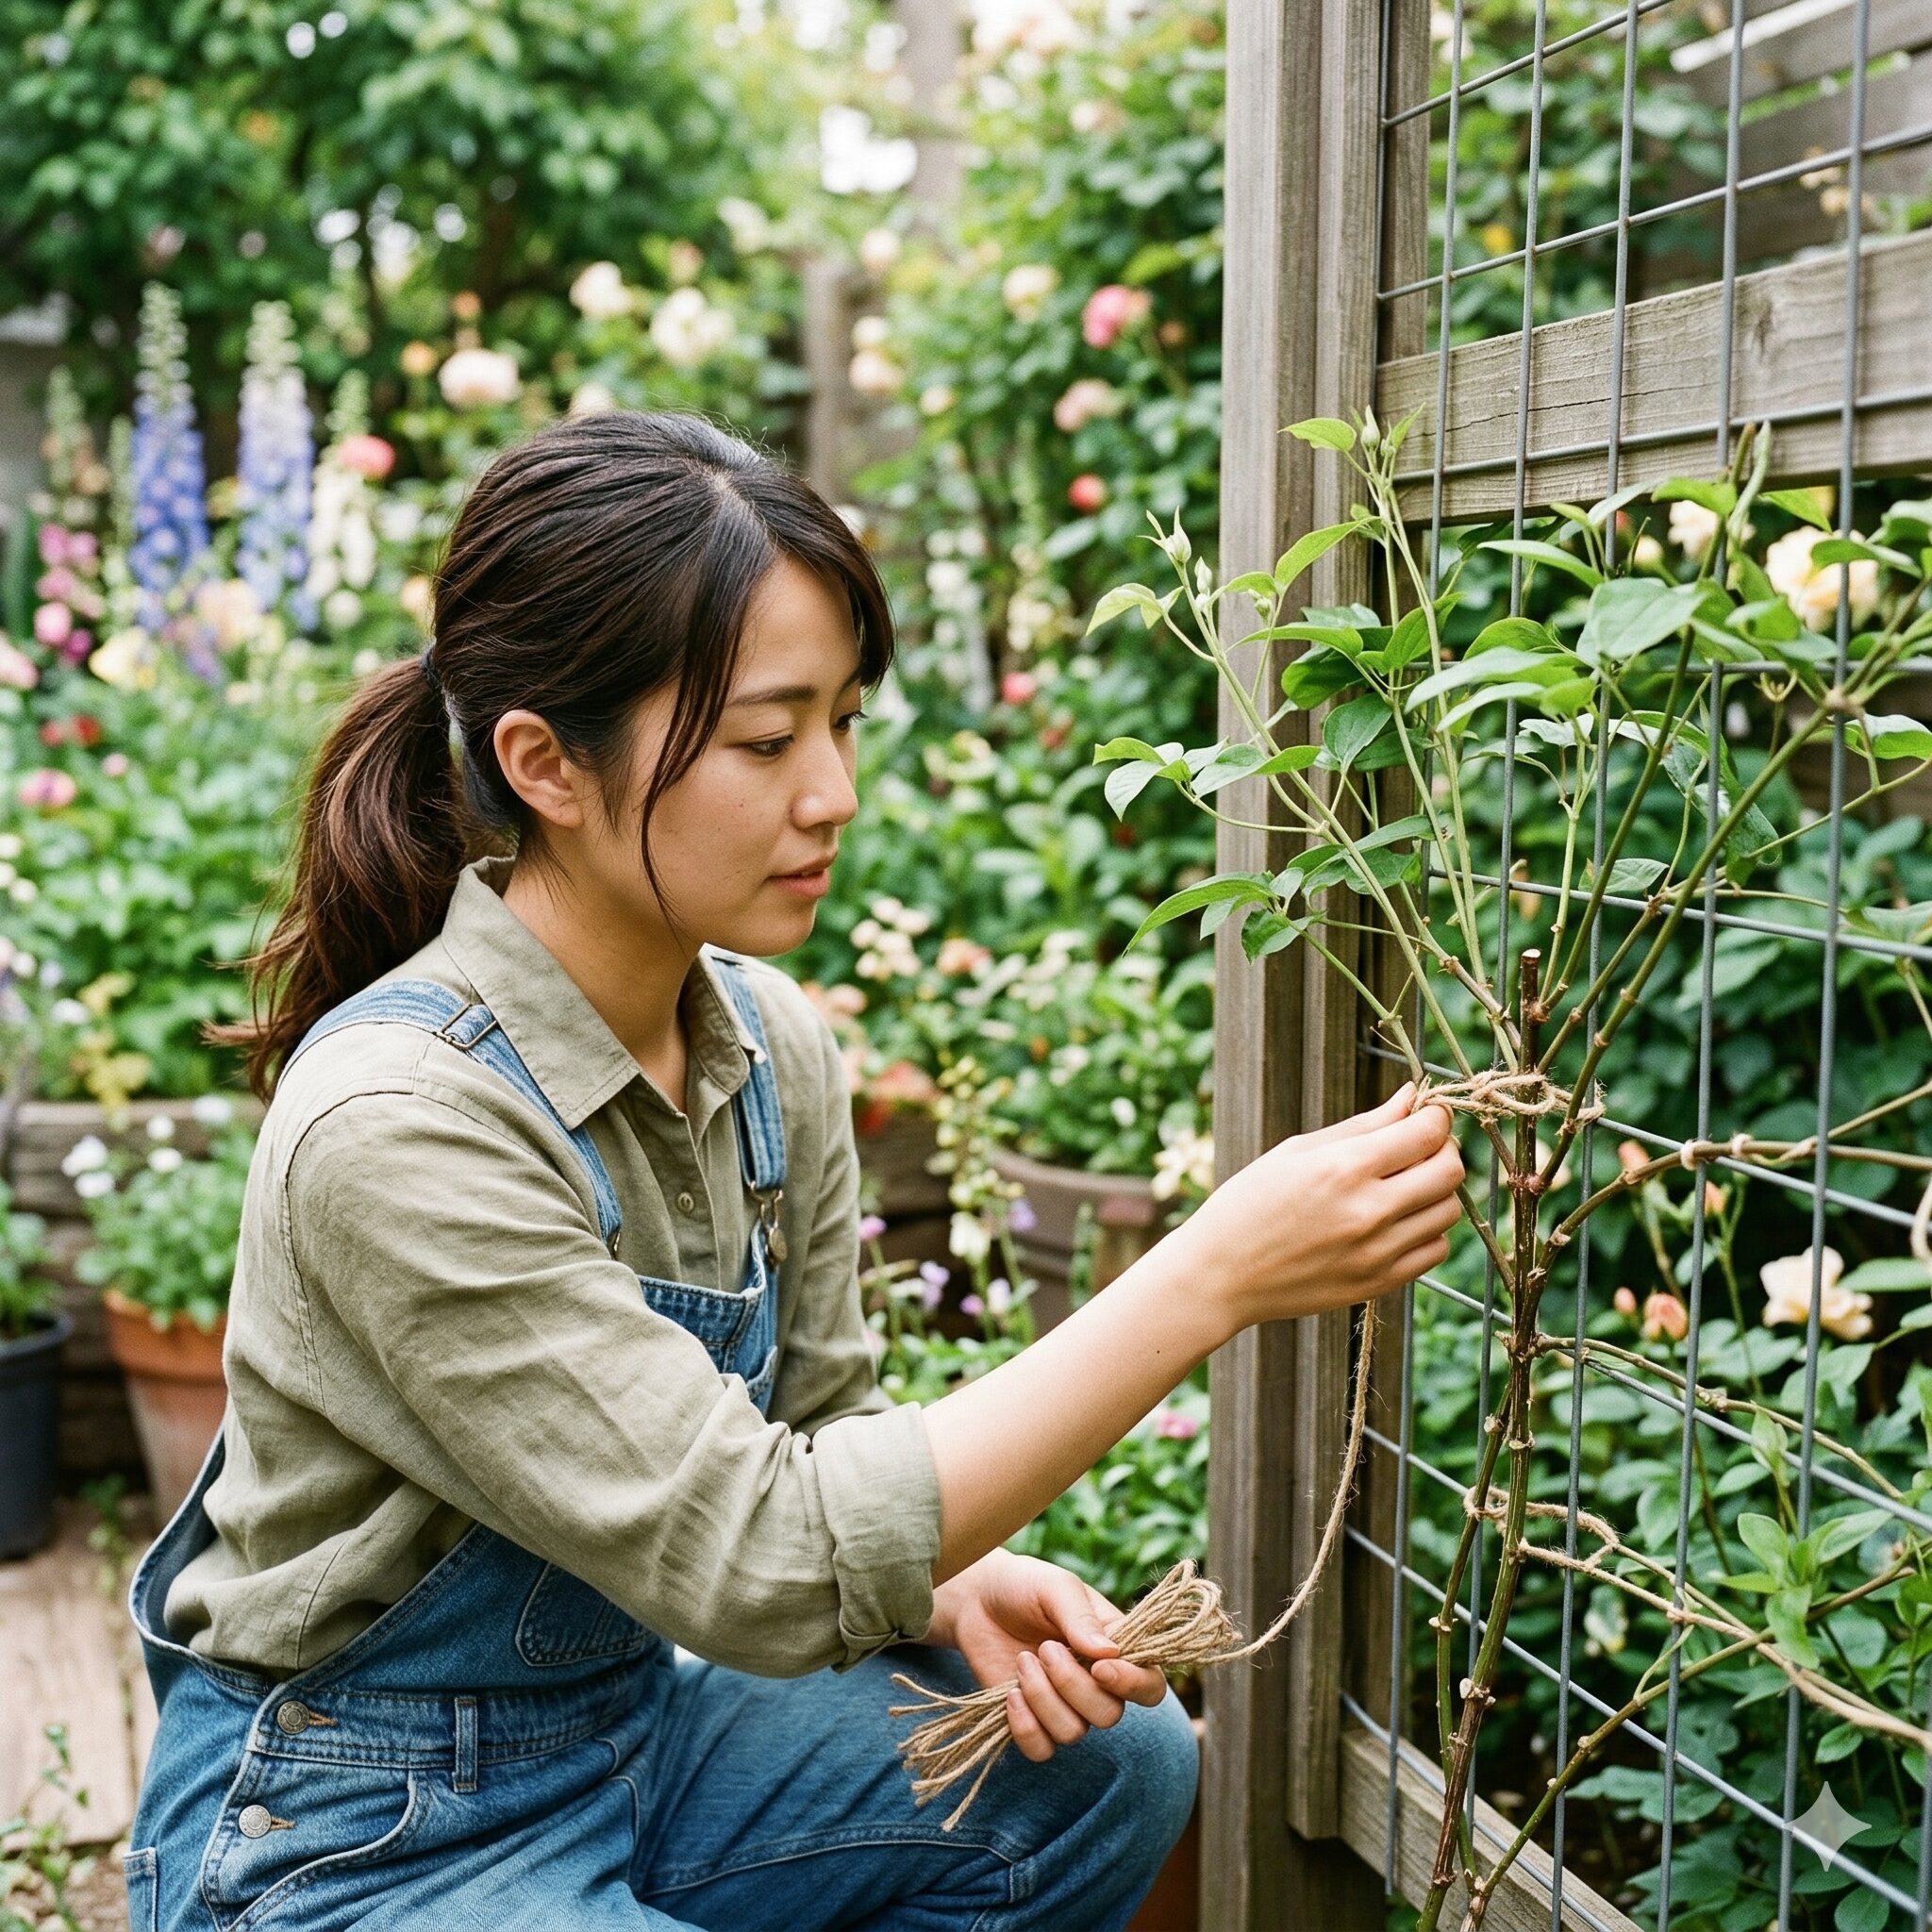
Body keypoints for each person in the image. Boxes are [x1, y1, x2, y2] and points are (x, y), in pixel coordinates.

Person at [123, 410, 1464, 1931]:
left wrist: (956, 1583)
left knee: (1103, 1772)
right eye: (768, 739)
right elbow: (760, 1561)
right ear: (544, 765)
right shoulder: (400, 1121)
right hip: (354, 1828)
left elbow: (825, 1419)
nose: (829, 791)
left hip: (629, 1742)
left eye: (843, 724)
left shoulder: (766, 1044)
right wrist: (1209, 1275)